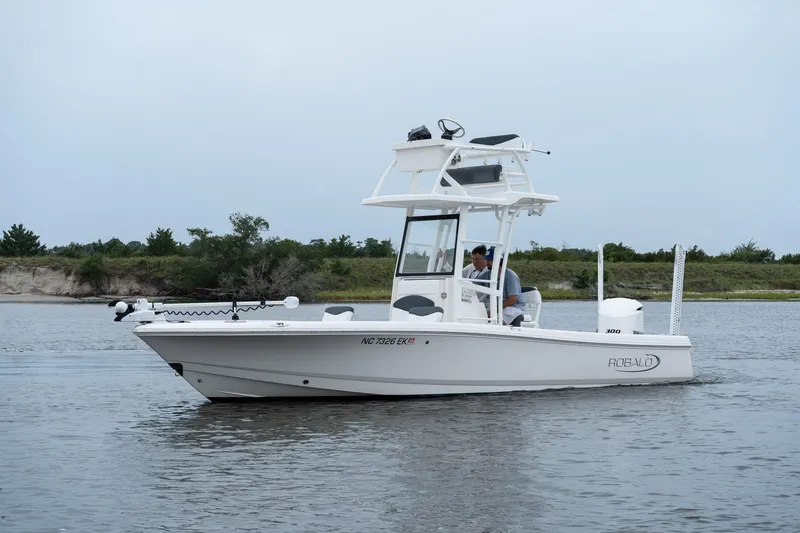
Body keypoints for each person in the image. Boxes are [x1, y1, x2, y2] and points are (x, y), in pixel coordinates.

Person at [476, 246, 525, 325]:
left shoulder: (510, 276)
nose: (487, 262)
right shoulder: (486, 275)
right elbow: (473, 284)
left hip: (513, 307)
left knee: (498, 319)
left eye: (490, 260)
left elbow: (512, 299)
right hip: (498, 307)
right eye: (487, 260)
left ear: (499, 260)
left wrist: (494, 310)